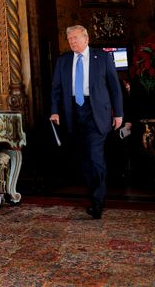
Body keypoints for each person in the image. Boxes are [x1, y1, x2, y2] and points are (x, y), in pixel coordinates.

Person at [50, 25, 123, 219]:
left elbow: (115, 88)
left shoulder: (103, 57)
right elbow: (56, 89)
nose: (72, 41)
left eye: (75, 38)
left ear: (86, 38)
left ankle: (98, 202)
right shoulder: (63, 61)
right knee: (84, 157)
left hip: (96, 111)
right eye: (69, 38)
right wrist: (54, 112)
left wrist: (119, 114)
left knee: (95, 155)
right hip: (73, 112)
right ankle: (94, 194)